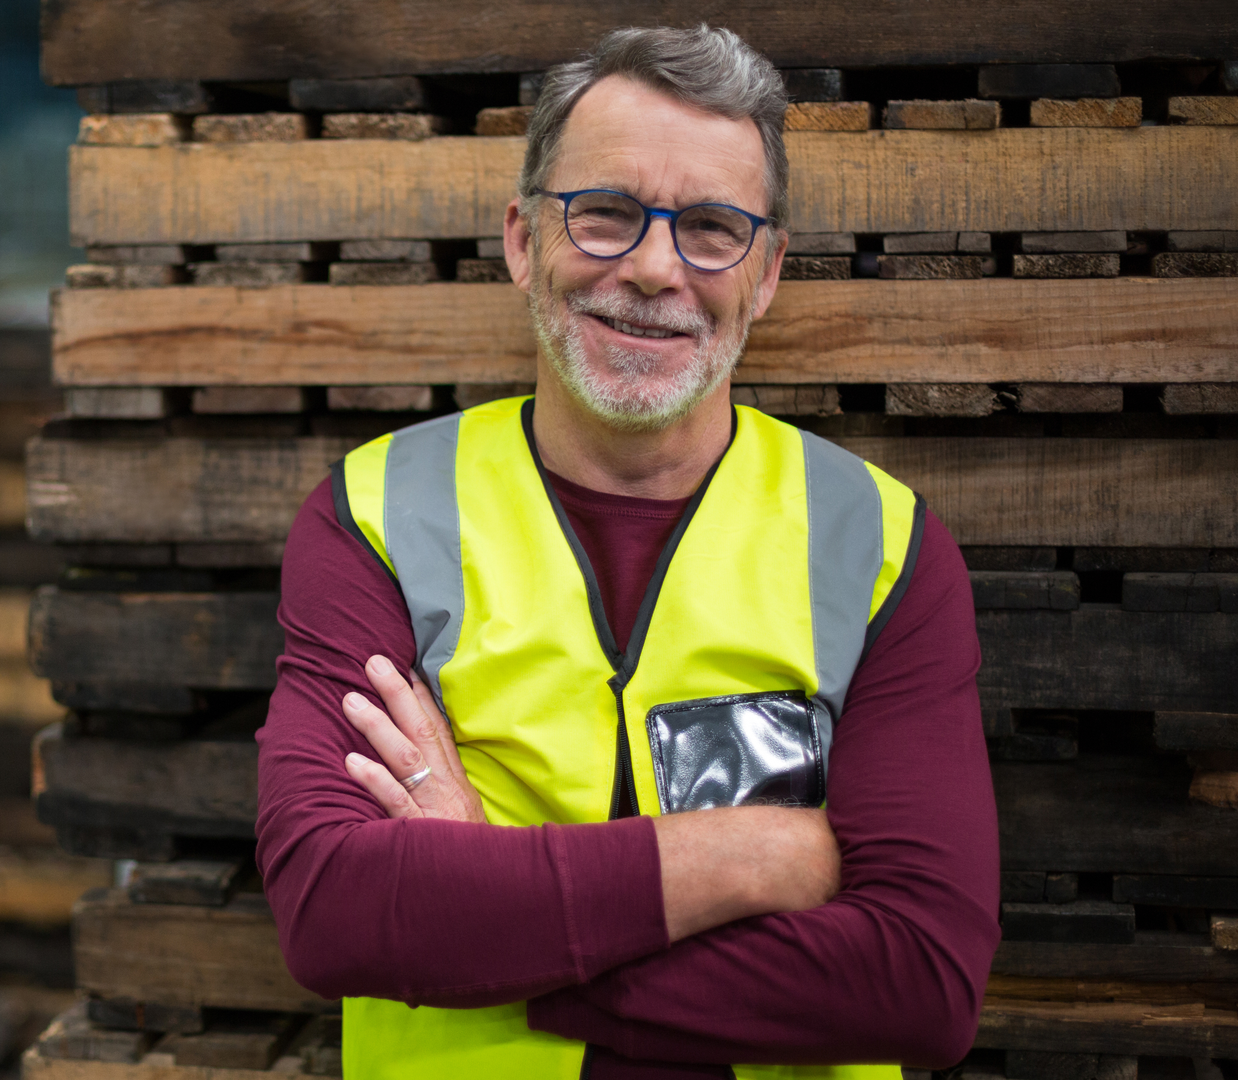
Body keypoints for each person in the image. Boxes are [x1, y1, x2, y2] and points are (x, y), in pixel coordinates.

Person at [254, 24, 1000, 1080]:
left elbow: (920, 986)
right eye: (605, 215)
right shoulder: (376, 519)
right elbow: (334, 913)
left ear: (769, 273)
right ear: (522, 240)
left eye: (709, 228)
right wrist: (755, 856)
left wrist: (483, 905)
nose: (654, 269)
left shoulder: (880, 548)